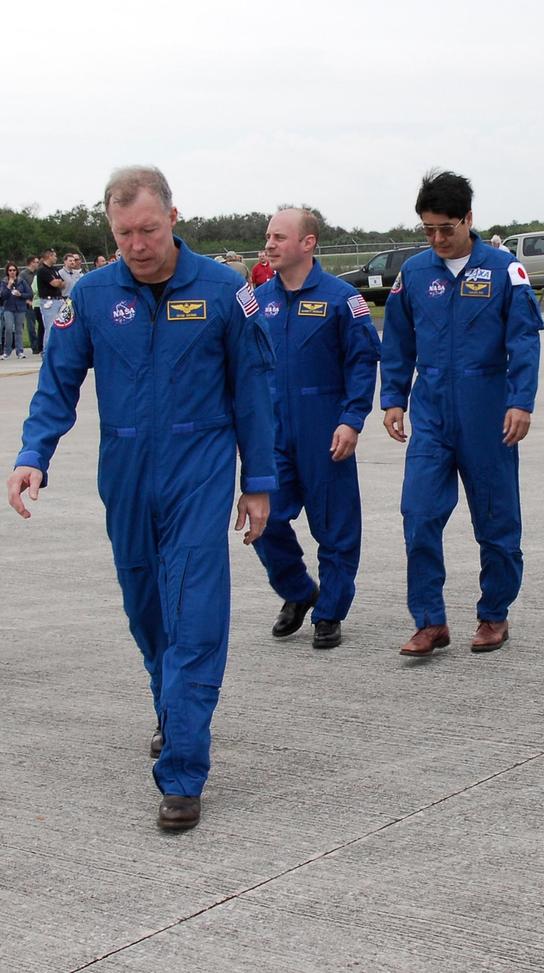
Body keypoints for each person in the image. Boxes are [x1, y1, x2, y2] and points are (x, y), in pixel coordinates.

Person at [7, 165, 276, 831]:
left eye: (148, 229)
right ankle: (171, 708)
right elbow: (57, 382)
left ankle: (183, 770)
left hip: (198, 467)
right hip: (125, 473)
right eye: (123, 233)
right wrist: (33, 454)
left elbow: (254, 390)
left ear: (173, 218)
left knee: (195, 613)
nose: (137, 244)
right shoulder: (92, 295)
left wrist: (259, 482)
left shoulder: (223, 290)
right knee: (147, 610)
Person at [381, 170, 543, 656]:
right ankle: (429, 621)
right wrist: (393, 398)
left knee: (496, 523)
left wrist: (521, 401)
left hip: (487, 413)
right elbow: (398, 342)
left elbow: (524, 341)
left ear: (468, 219)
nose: (437, 239)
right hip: (432, 413)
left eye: (445, 229)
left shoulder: (504, 270)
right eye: (427, 230)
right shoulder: (414, 274)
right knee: (418, 514)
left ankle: (494, 613)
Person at [251, 208, 381, 650]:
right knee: (264, 519)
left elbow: (362, 362)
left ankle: (330, 612)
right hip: (271, 430)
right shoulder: (256, 301)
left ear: (308, 243)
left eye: (279, 237)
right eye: (268, 236)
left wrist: (351, 419)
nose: (269, 244)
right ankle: (298, 590)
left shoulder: (342, 298)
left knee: (335, 525)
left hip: (324, 425)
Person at [1, 262, 32, 358]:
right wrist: (8, 286)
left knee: (19, 330)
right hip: (8, 308)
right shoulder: (4, 282)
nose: (12, 272)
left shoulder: (22, 281)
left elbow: (29, 293)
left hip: (20, 308)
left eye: (14, 270)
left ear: (16, 271)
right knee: (9, 328)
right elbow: (3, 296)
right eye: (10, 270)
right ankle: (7, 351)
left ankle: (20, 351)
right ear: (7, 272)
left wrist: (21, 294)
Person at [35, 249, 66, 330]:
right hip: (49, 302)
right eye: (55, 256)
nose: (56, 258)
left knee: (60, 326)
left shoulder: (54, 269)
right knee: (50, 327)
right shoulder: (42, 270)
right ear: (49, 256)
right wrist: (58, 282)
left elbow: (63, 284)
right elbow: (55, 284)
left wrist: (58, 282)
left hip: (59, 299)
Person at [19, 257, 42, 354]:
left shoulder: (38, 273)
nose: (38, 264)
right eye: (36, 262)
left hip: (39, 303)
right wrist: (27, 300)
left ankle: (41, 344)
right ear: (31, 263)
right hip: (28, 303)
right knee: (31, 326)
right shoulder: (23, 274)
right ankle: (34, 346)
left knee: (42, 325)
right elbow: (20, 289)